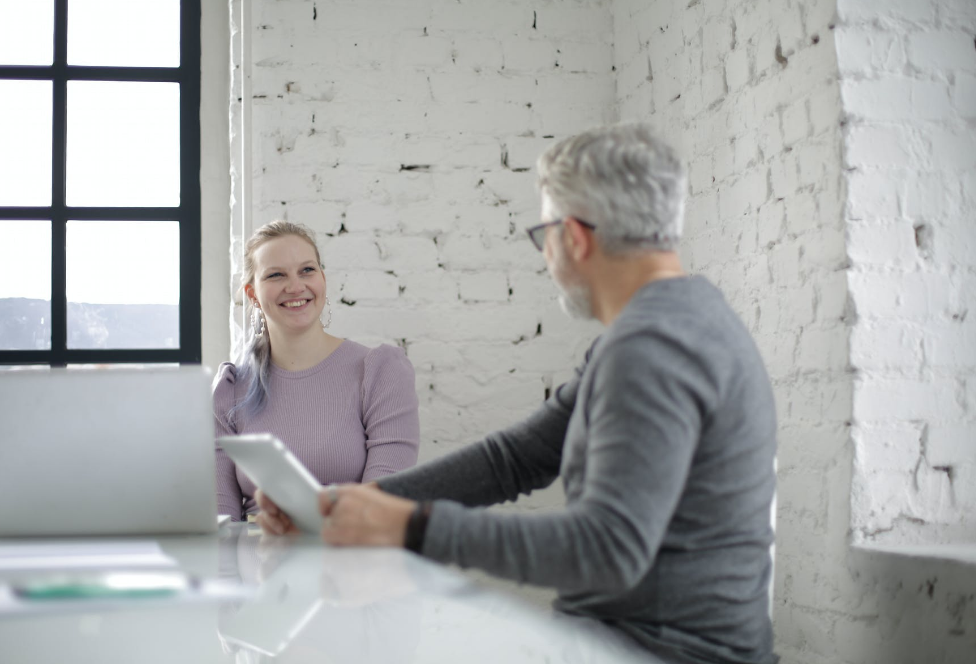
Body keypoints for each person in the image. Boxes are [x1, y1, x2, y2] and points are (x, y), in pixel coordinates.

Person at [257, 125, 778, 664]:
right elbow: (516, 460)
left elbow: (607, 550)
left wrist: (408, 526)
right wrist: (346, 505)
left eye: (544, 235)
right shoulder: (671, 324)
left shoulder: (652, 348)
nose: (546, 257)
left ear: (574, 239)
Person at [214, 220, 420, 521]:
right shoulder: (230, 389)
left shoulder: (380, 373)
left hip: (353, 558)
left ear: (322, 277)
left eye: (307, 270)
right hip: (256, 560)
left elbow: (381, 508)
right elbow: (221, 521)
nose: (296, 286)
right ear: (252, 294)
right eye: (275, 275)